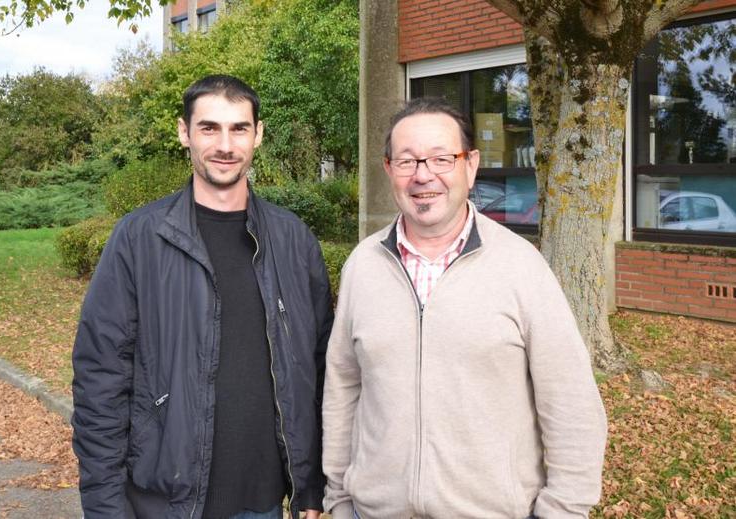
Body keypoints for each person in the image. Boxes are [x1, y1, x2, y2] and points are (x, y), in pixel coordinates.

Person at [322, 97, 607, 519]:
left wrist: (563, 510)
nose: (424, 176)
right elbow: (343, 386)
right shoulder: (363, 265)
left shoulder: (520, 266)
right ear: (388, 169)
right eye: (407, 161)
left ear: (470, 166)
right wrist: (340, 499)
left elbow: (570, 402)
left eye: (442, 158)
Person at [71, 75, 333, 519]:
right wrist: (106, 508)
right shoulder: (139, 240)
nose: (225, 145)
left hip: (264, 505)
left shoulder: (293, 240)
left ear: (258, 134)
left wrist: (311, 487)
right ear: (183, 132)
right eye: (209, 128)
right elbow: (100, 383)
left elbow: (320, 370)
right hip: (164, 503)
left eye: (239, 128)